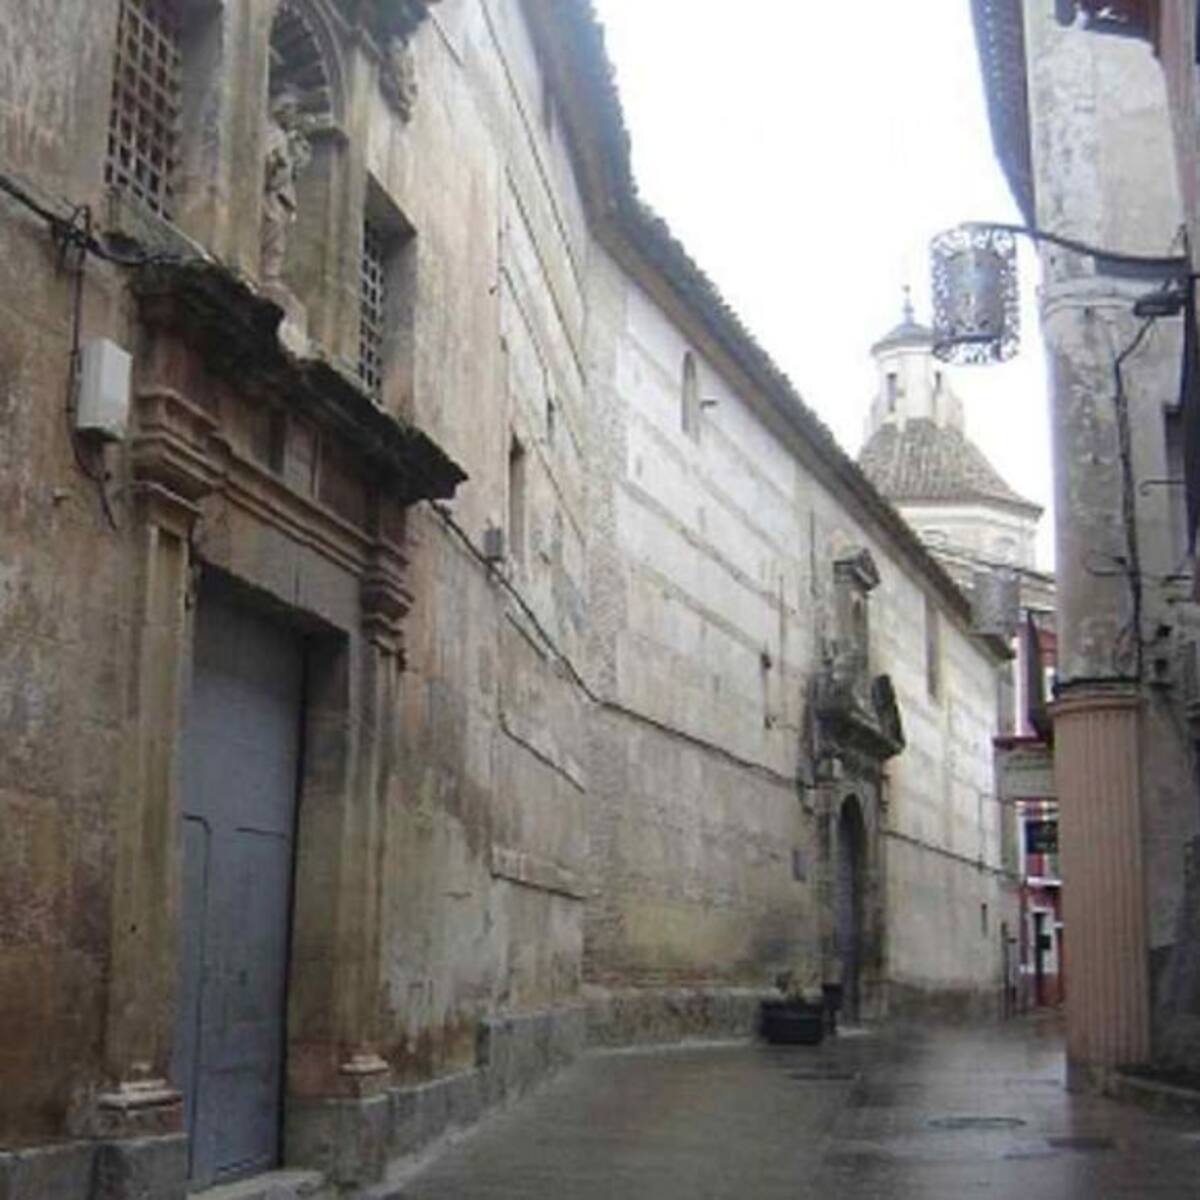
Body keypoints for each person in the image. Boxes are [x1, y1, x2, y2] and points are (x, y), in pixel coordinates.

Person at [261, 87, 311, 283]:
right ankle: (268, 273)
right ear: (282, 110)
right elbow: (267, 158)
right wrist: (277, 164)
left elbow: (292, 167)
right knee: (272, 227)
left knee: (279, 234)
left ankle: (271, 272)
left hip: (282, 193)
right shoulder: (273, 132)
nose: (294, 118)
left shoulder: (284, 136)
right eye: (292, 111)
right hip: (273, 191)